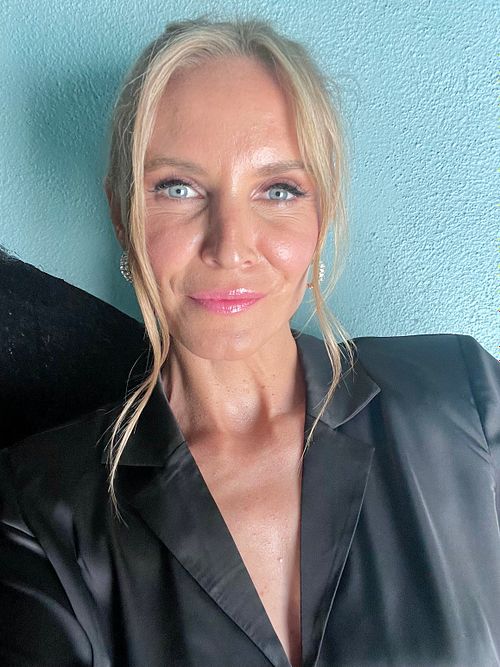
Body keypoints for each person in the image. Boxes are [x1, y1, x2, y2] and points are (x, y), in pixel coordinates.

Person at [0, 16, 499, 667]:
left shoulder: (464, 398)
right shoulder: (40, 508)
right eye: (178, 188)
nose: (229, 245)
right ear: (122, 214)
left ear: (322, 213)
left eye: (278, 190)